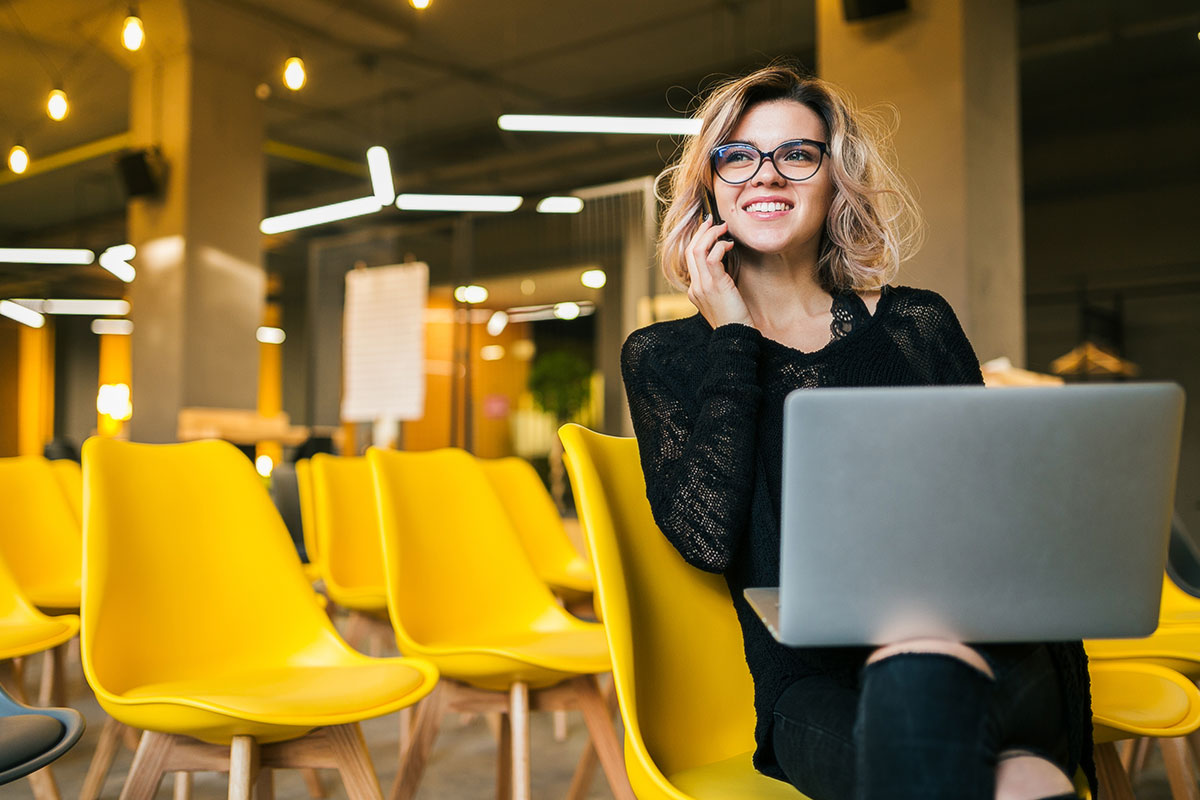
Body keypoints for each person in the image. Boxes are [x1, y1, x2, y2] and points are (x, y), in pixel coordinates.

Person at [620, 65, 1092, 800]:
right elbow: (705, 539)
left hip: (985, 647)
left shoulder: (916, 324)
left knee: (937, 698)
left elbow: (994, 505)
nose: (765, 176)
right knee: (1012, 781)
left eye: (796, 155)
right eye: (738, 156)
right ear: (710, 185)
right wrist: (733, 339)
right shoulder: (665, 357)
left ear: (835, 179)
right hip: (814, 684)